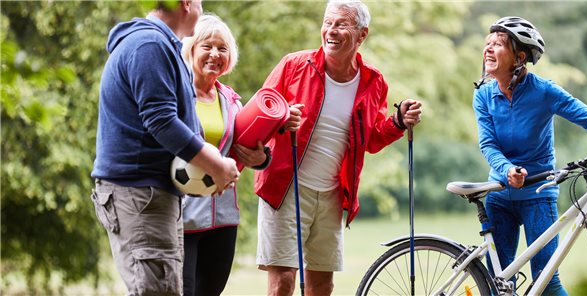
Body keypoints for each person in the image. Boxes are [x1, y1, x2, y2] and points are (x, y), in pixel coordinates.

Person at [254, 1, 423, 295]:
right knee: (282, 280)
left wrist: (398, 121)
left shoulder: (373, 81)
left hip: (333, 194)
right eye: (328, 23)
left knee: (322, 284)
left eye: (341, 24)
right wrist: (282, 118)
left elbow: (369, 139)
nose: (331, 30)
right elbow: (257, 114)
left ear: (362, 35)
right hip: (285, 187)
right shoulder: (294, 65)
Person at [90, 1, 239, 295]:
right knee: (157, 290)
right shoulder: (149, 44)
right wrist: (215, 164)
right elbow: (161, 120)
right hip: (140, 195)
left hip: (153, 196)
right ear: (186, 3)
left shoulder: (159, 44)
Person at [473, 16, 587, 295]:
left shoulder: (544, 91)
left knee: (547, 282)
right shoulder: (483, 95)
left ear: (520, 57)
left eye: (499, 44)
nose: (489, 49)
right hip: (500, 194)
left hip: (538, 194)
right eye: (488, 43)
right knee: (500, 285)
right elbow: (488, 144)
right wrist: (506, 169)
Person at [180, 14, 272, 296]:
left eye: (222, 48)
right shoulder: (175, 94)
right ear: (191, 50)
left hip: (223, 218)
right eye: (207, 46)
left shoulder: (232, 100)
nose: (215, 54)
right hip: (181, 217)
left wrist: (262, 158)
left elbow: (250, 147)